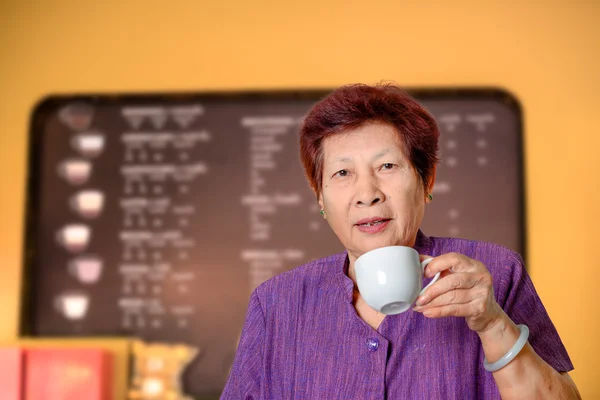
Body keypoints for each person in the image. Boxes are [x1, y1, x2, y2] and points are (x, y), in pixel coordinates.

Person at [221, 83, 581, 399]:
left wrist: (493, 324)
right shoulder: (276, 305)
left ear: (427, 181)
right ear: (320, 198)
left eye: (387, 167)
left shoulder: (497, 274)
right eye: (343, 173)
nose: (367, 194)